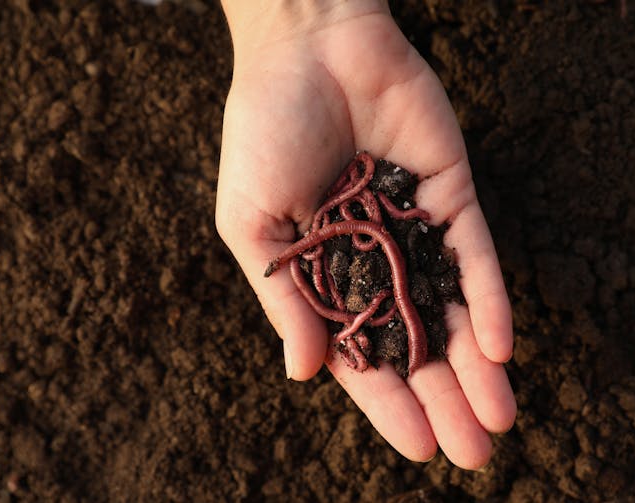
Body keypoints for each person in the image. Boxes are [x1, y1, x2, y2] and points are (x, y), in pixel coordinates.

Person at [215, 0, 516, 470]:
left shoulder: (359, 209)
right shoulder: (348, 218)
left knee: (376, 255)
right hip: (358, 226)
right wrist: (282, 27)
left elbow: (368, 226)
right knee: (367, 253)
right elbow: (356, 229)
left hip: (367, 227)